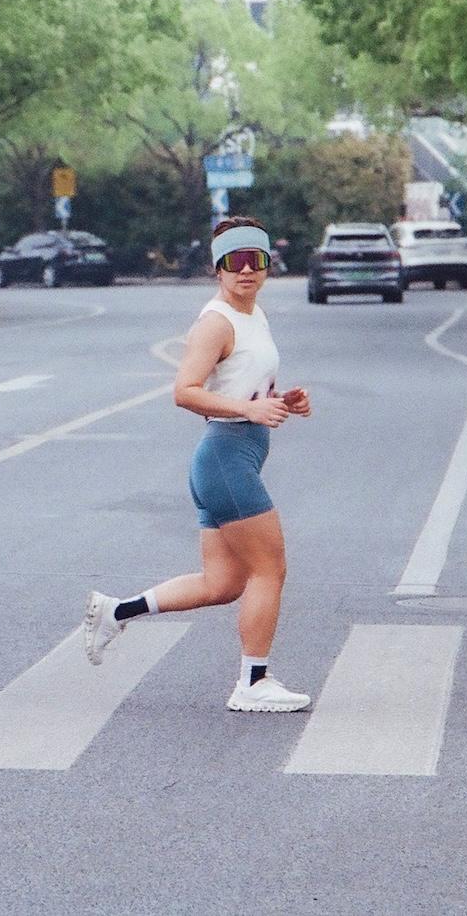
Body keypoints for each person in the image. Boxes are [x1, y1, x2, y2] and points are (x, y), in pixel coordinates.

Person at [80, 217, 315, 713]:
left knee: (223, 584)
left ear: (269, 265)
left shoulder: (254, 315)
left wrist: (280, 399)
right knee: (269, 569)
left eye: (257, 259)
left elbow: (242, 385)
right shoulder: (216, 322)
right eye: (235, 261)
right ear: (217, 268)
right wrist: (250, 410)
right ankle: (253, 681)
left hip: (231, 458)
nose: (246, 271)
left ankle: (116, 612)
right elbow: (185, 391)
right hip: (226, 460)